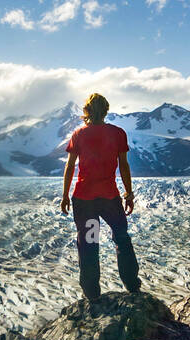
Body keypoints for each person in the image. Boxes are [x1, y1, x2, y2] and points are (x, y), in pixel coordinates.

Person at [59, 93, 142, 301]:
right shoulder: (117, 133)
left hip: (84, 198)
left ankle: (92, 296)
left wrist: (65, 195)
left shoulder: (79, 134)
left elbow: (70, 166)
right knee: (122, 238)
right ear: (106, 110)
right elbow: (123, 165)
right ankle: (132, 287)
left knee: (88, 244)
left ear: (86, 111)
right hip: (109, 198)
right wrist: (128, 193)